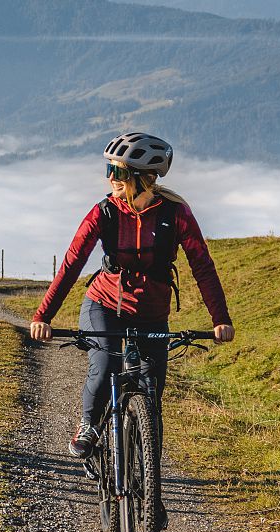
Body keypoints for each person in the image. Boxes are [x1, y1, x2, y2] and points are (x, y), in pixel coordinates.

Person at [29, 132, 236, 457]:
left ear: (144, 178)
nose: (110, 178)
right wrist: (43, 316)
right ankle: (89, 423)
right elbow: (72, 262)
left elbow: (203, 266)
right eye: (109, 170)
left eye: (119, 172)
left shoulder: (175, 215)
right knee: (106, 365)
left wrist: (220, 319)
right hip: (104, 304)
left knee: (152, 394)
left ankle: (150, 491)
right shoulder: (105, 212)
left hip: (151, 312)